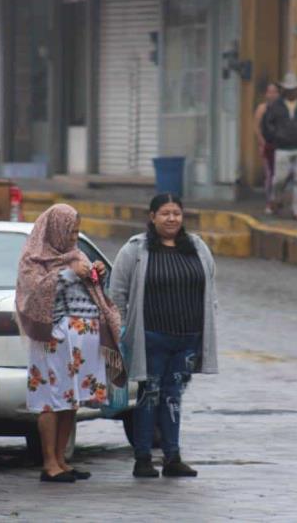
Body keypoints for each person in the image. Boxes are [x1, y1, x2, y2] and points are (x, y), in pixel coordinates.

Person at [15, 204, 126, 483]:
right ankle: (49, 462)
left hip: (83, 339)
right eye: (71, 231)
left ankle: (62, 460)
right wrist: (68, 274)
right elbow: (33, 295)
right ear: (56, 230)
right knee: (51, 401)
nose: (75, 237)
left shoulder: (76, 255)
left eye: (77, 231)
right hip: (55, 339)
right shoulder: (34, 258)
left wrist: (96, 273)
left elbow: (93, 289)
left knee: (70, 401)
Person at [111, 193, 218, 478]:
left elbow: (210, 287)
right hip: (150, 338)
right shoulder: (135, 249)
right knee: (149, 396)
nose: (171, 219)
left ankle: (172, 457)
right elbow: (118, 293)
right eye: (165, 213)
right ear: (152, 217)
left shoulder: (197, 247)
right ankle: (143, 458)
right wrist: (121, 329)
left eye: (177, 213)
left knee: (173, 397)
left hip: (188, 339)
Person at [261, 72, 297, 221]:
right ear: (284, 89)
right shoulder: (276, 105)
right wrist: (275, 136)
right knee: (279, 178)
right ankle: (276, 198)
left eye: (294, 89)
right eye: (289, 89)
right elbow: (267, 123)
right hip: (282, 147)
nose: (292, 91)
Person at [253, 82, 281, 214]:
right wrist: (262, 142)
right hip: (267, 146)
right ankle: (270, 201)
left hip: (281, 146)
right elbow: (257, 127)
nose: (272, 94)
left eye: (275, 91)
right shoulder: (262, 108)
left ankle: (277, 199)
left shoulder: (283, 108)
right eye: (269, 92)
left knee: (281, 175)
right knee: (270, 175)